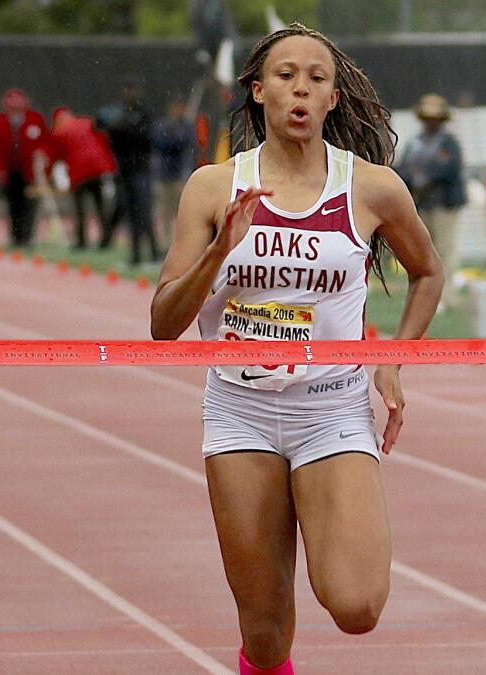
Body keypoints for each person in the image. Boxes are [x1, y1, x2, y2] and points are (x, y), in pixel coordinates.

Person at [150, 23, 442, 675]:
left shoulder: (370, 187)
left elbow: (429, 271)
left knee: (357, 602)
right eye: (285, 76)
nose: (300, 89)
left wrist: (393, 359)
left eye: (316, 77)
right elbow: (163, 323)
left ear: (334, 99)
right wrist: (219, 251)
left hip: (331, 411)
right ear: (258, 92)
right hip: (240, 413)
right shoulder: (212, 187)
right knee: (265, 633)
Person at [396, 93, 466, 309]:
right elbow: (403, 169)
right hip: (421, 206)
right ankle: (423, 299)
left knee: (445, 251)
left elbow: (450, 169)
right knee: (422, 254)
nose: (431, 121)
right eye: (427, 117)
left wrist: (426, 177)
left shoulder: (449, 143)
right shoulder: (414, 143)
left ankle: (447, 297)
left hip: (444, 205)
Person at [98, 76, 160, 267]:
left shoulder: (144, 114)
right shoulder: (122, 113)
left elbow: (144, 137)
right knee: (129, 213)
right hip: (124, 171)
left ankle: (153, 251)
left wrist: (126, 129)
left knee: (144, 212)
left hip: (141, 170)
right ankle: (136, 254)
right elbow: (109, 133)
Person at [47, 107, 117, 249]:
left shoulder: (59, 131)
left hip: (79, 171)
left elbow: (55, 156)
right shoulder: (87, 122)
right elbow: (104, 140)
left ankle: (82, 240)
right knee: (100, 204)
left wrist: (49, 175)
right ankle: (106, 237)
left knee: (80, 207)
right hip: (98, 167)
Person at [0, 88, 47, 247]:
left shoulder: (35, 119)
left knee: (31, 204)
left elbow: (44, 142)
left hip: (30, 172)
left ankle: (27, 236)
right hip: (10, 173)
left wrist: (42, 157)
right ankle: (16, 236)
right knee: (14, 205)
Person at [151, 93, 195, 244]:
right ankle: (166, 242)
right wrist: (175, 135)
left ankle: (183, 242)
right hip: (165, 174)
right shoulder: (163, 125)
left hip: (181, 175)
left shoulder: (187, 126)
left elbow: (187, 142)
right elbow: (160, 143)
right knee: (165, 211)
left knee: (184, 212)